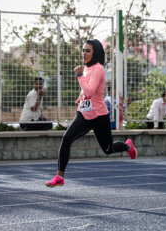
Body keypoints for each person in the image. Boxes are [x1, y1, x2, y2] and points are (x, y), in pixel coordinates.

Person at [45, 39, 137, 188]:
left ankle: (127, 147)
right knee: (67, 138)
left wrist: (79, 75)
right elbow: (86, 92)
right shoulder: (87, 68)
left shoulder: (98, 68)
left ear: (96, 53)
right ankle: (59, 177)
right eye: (83, 50)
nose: (84, 53)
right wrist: (80, 98)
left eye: (88, 51)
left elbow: (90, 90)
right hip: (84, 114)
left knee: (108, 149)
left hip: (99, 116)